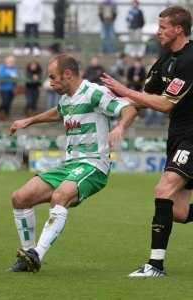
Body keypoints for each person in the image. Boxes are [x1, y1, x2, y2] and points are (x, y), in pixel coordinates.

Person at [8, 54, 137, 272]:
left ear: (68, 74)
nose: (50, 82)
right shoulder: (67, 97)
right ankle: (27, 256)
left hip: (94, 165)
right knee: (20, 198)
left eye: (53, 77)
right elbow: (59, 113)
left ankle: (37, 254)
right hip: (70, 165)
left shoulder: (94, 92)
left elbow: (129, 109)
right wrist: (29, 120)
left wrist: (120, 127)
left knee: (60, 196)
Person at [101, 6, 193, 277]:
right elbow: (142, 97)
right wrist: (114, 112)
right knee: (177, 210)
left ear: (179, 29)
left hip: (192, 136)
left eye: (163, 27)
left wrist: (124, 90)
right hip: (177, 136)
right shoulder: (166, 58)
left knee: (163, 190)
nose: (158, 31)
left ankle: (155, 266)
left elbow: (164, 104)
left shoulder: (190, 59)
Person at [0, 55, 19, 121]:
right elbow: (0, 75)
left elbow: (17, 76)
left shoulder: (14, 68)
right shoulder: (2, 67)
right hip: (4, 88)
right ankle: (0, 110)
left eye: (12, 61)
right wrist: (10, 75)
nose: (11, 62)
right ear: (6, 61)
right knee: (5, 101)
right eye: (9, 61)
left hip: (12, 88)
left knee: (9, 102)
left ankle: (6, 115)